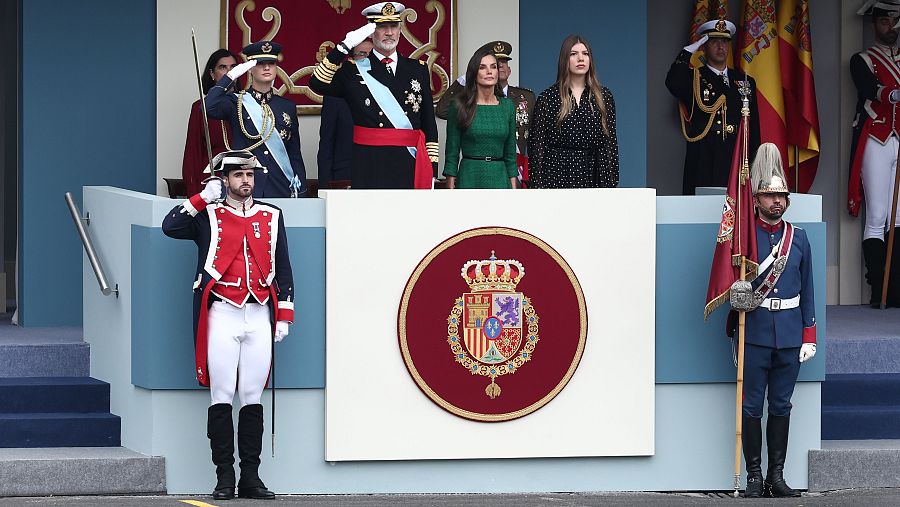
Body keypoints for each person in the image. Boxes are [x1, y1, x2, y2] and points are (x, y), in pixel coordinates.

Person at [162, 150, 295, 501]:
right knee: (221, 395)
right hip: (222, 312)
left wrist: (284, 315)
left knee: (252, 397)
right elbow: (170, 226)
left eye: (249, 174)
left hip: (259, 313)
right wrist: (199, 198)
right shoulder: (208, 215)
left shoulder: (272, 214)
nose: (245, 181)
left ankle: (251, 476)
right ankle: (224, 477)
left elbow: (284, 269)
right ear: (224, 179)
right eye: (237, 175)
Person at [736, 143, 816, 498]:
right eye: (770, 196)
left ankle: (776, 476)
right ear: (756, 199)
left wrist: (809, 334)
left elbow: (809, 289)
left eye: (781, 195)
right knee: (752, 406)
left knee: (782, 405)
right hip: (753, 332)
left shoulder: (798, 239)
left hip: (789, 334)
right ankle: (754, 476)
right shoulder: (744, 237)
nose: (777, 202)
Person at [309, 1, 439, 189]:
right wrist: (343, 48)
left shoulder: (417, 69)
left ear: (400, 30)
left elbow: (428, 123)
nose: (389, 32)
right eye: (382, 27)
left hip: (410, 163)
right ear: (371, 32)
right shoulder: (353, 70)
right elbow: (317, 84)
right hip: (369, 164)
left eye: (393, 26)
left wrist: (431, 168)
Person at [665, 17, 761, 195]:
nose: (720, 47)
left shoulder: (744, 81)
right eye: (714, 42)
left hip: (737, 159)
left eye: (724, 42)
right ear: (704, 46)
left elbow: (753, 128)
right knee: (702, 214)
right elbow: (672, 82)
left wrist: (754, 164)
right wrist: (688, 51)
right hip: (704, 159)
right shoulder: (694, 78)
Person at [206, 41, 307, 198]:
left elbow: (294, 153)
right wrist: (231, 76)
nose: (267, 68)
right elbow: (208, 107)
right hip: (247, 187)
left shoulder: (287, 106)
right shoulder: (236, 101)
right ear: (250, 69)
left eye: (271, 63)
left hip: (280, 186)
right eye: (260, 64)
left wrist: (301, 191)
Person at [848, 0, 900, 307]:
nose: (890, 28)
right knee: (878, 215)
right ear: (874, 25)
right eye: (884, 22)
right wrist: (891, 93)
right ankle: (879, 287)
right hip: (877, 137)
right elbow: (870, 88)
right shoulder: (863, 59)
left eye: (894, 22)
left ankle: (896, 290)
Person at [436, 41, 535, 185]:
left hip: (500, 178)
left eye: (493, 67)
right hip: (470, 176)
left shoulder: (507, 106)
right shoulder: (460, 105)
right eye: (482, 67)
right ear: (474, 72)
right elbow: (452, 153)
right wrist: (450, 191)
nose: (489, 71)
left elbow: (510, 156)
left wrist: (514, 192)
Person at [527, 34, 619, 188]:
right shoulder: (547, 97)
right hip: (556, 173)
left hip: (593, 173)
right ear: (565, 60)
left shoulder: (604, 96)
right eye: (573, 54)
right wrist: (537, 186)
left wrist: (612, 181)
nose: (580, 58)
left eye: (585, 54)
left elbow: (610, 142)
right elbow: (537, 146)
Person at [182, 49, 239, 196]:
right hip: (212, 182)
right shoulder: (200, 107)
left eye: (233, 67)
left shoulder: (248, 104)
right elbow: (193, 154)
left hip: (244, 182)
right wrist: (195, 195)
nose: (229, 72)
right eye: (222, 67)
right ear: (212, 74)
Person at [317, 40, 373, 189]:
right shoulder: (335, 95)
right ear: (351, 59)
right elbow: (326, 145)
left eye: (372, 55)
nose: (368, 59)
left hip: (378, 174)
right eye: (362, 54)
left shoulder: (389, 91)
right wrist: (324, 187)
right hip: (345, 177)